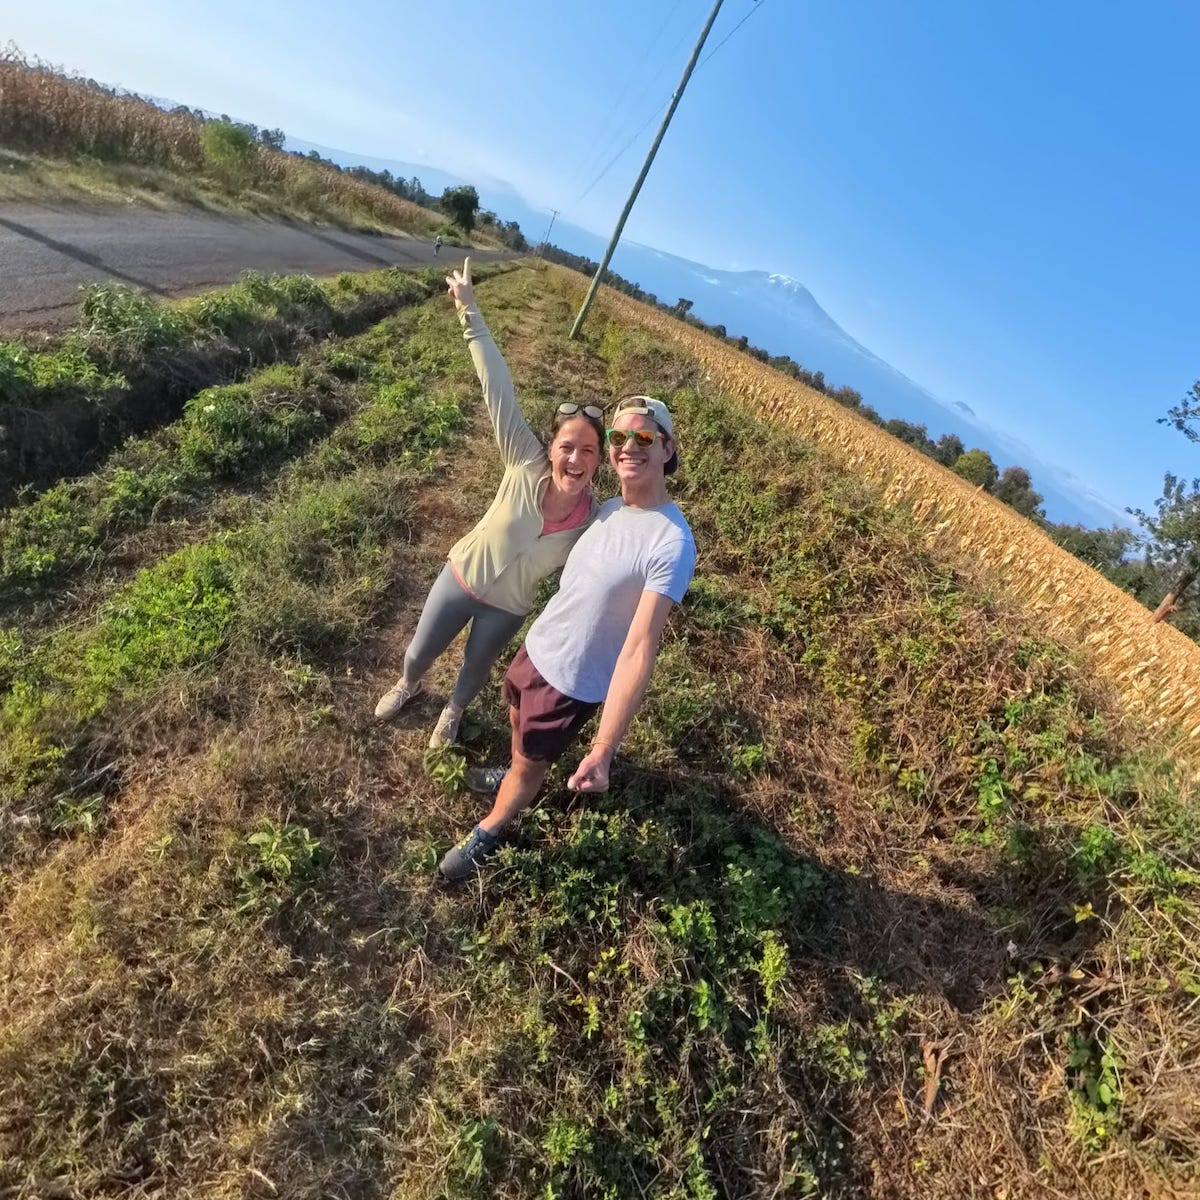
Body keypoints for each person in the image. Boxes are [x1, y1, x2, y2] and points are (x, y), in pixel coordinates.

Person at [439, 394, 695, 881]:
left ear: (667, 449)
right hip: (537, 649)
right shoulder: (609, 509)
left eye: (644, 436)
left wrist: (604, 748)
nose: (628, 447)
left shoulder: (672, 541)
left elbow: (641, 647)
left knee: (532, 762)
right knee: (516, 722)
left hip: (571, 682)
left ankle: (489, 831)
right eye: (619, 437)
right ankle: (515, 772)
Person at [374, 258, 604, 746]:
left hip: (509, 606)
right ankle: (408, 686)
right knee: (419, 652)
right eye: (567, 446)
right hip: (463, 575)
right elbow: (496, 386)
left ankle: (453, 713)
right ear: (550, 446)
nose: (575, 459)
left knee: (475, 668)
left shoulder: (594, 520)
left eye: (588, 451)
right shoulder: (524, 458)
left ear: (599, 461)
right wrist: (470, 312)